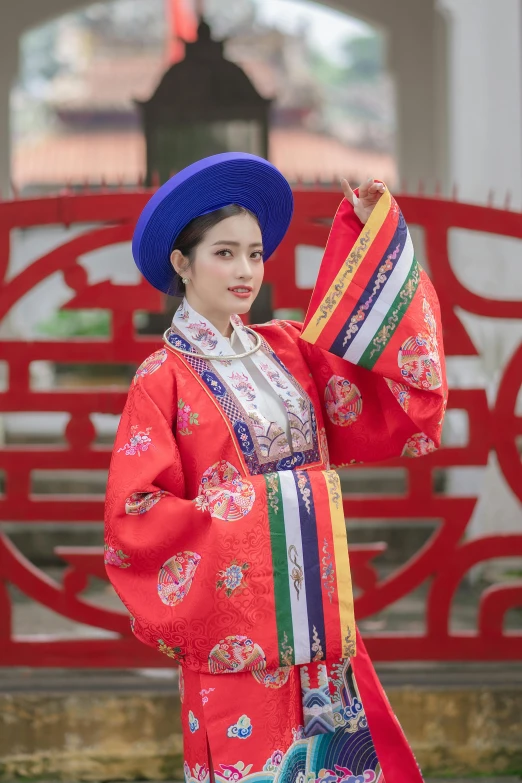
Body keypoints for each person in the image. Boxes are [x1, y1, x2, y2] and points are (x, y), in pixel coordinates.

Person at [104, 152, 447, 783]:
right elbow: (137, 520)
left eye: (255, 254)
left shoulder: (288, 349)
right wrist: (282, 508)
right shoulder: (163, 380)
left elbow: (377, 366)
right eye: (224, 253)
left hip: (319, 630)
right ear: (182, 264)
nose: (245, 271)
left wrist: (373, 237)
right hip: (235, 636)